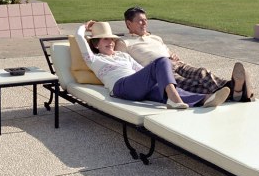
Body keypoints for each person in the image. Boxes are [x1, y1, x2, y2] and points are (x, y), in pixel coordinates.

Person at [75, 20, 231, 110]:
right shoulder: (94, 60)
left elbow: (140, 70)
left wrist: (161, 77)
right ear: (96, 44)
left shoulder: (123, 55)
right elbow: (78, 37)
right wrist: (85, 26)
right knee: (162, 61)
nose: (110, 42)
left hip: (137, 85)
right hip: (121, 87)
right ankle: (174, 100)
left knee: (163, 87)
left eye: (111, 39)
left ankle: (205, 99)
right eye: (105, 40)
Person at [115, 6, 254, 102]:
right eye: (139, 20)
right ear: (128, 24)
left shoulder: (155, 37)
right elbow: (123, 64)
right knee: (187, 83)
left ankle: (233, 87)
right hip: (160, 71)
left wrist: (172, 54)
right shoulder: (124, 42)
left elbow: (167, 51)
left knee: (202, 73)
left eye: (145, 20)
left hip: (176, 63)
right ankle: (235, 90)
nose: (144, 23)